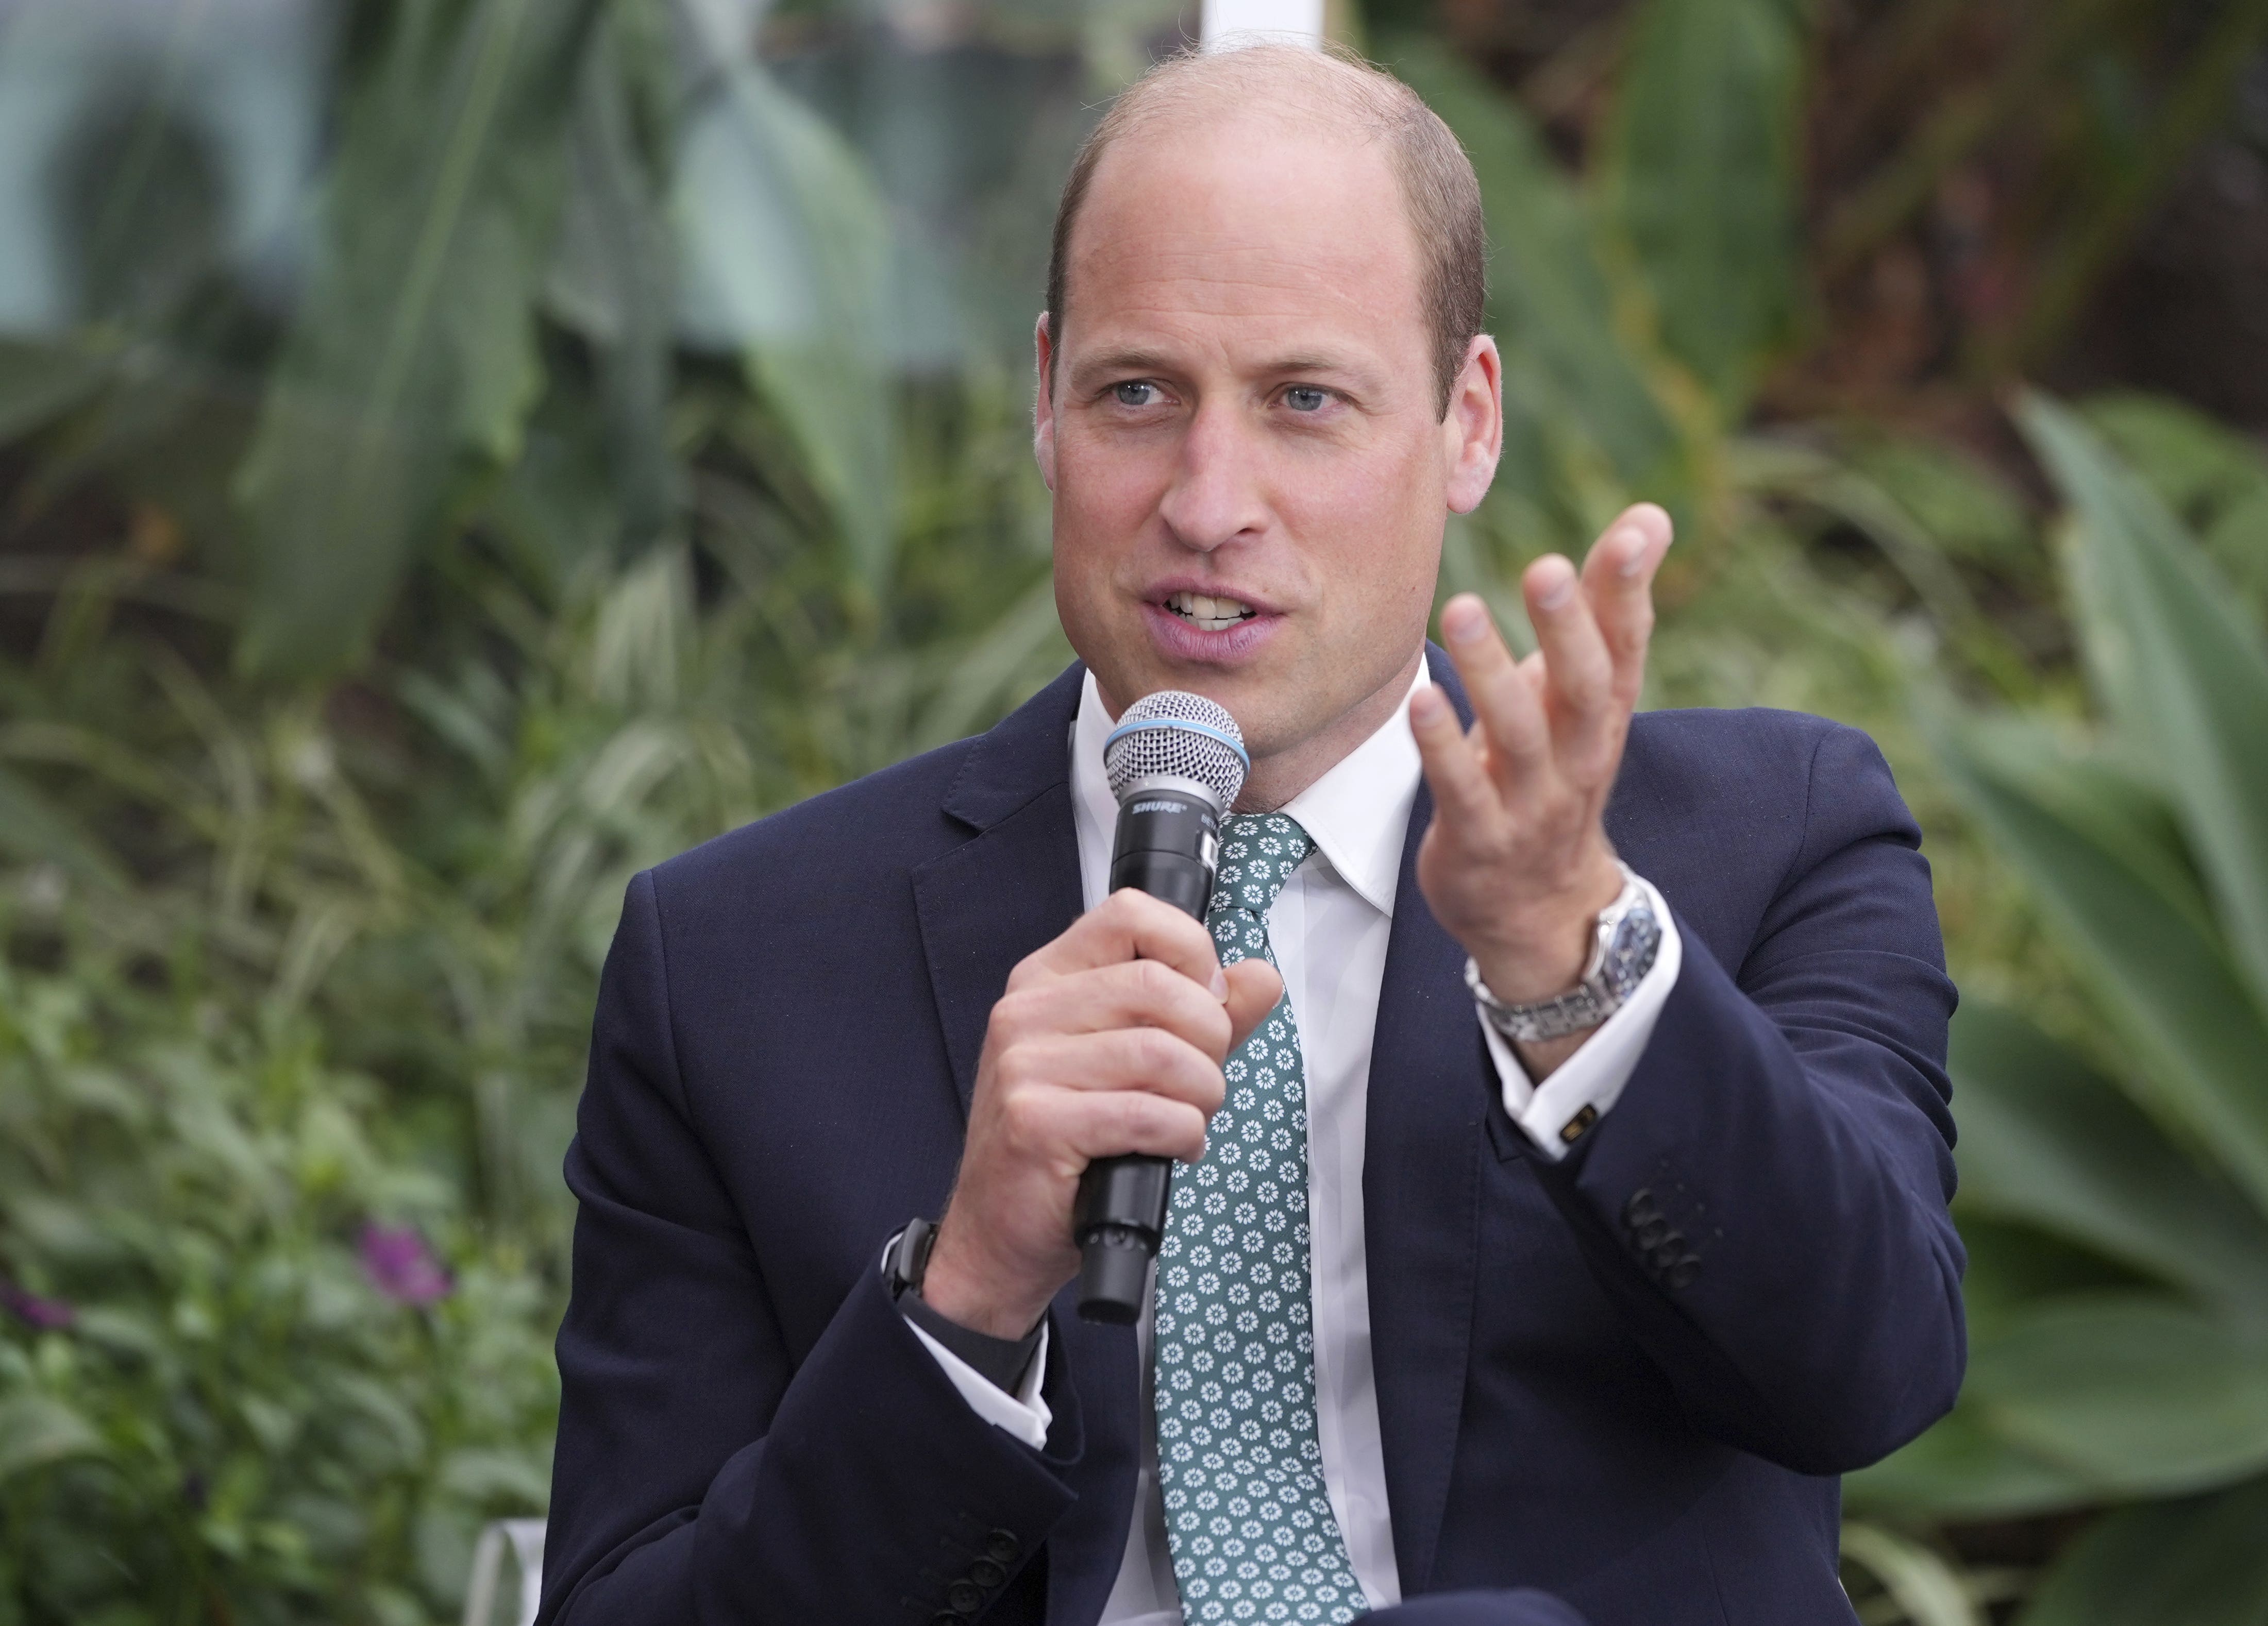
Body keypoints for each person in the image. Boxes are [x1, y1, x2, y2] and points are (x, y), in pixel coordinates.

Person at [540, 41, 1963, 1626]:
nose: (1210, 501)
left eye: (1305, 402)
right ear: (1045, 405)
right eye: (1139, 394)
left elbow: (1873, 1368)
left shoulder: (1768, 842)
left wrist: (1579, 976)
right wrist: (971, 1293)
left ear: (1467, 422)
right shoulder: (734, 962)